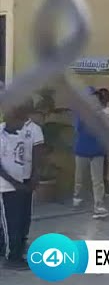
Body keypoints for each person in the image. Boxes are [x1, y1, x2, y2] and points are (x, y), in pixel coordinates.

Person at [0, 104, 34, 269]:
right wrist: (14, 182)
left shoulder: (21, 135)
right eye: (20, 120)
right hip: (5, 187)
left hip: (19, 186)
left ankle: (17, 251)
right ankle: (11, 258)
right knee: (10, 223)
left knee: (19, 222)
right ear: (12, 119)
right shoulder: (1, 135)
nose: (23, 124)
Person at [72, 87, 109, 219]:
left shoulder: (102, 114)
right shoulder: (80, 113)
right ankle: (77, 198)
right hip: (82, 150)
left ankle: (99, 206)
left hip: (98, 151)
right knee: (79, 178)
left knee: (98, 180)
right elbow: (77, 129)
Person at [18, 98, 44, 251]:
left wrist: (35, 175)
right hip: (7, 178)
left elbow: (38, 154)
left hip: (26, 177)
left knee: (24, 211)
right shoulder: (6, 127)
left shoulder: (34, 129)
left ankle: (22, 239)